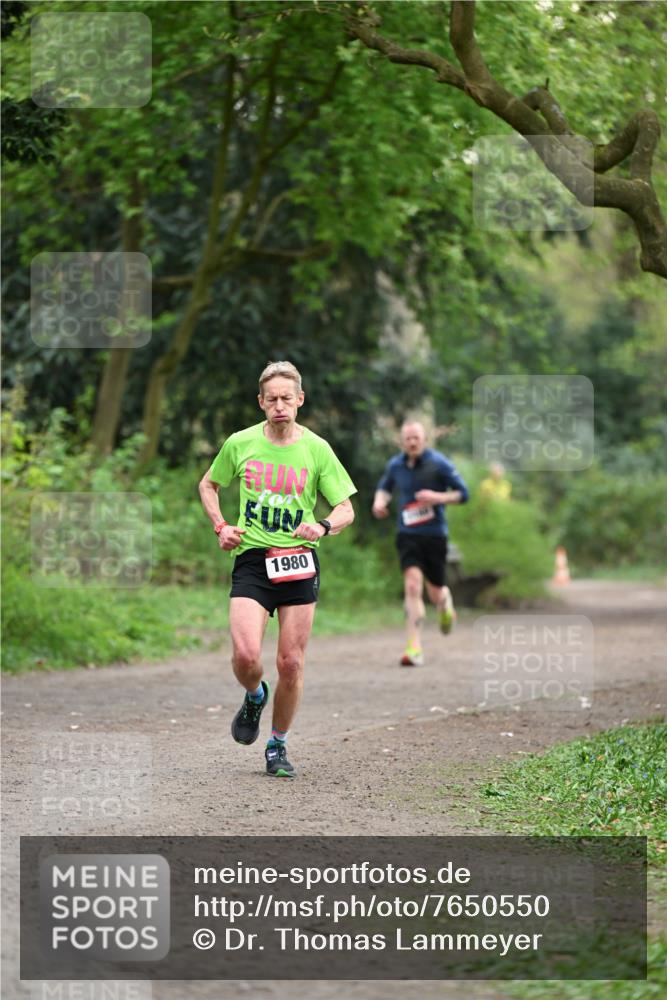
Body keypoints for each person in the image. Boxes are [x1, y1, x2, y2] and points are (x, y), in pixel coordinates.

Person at [199, 361, 356, 778]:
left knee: (291, 662)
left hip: (299, 560)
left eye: (288, 398)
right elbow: (208, 484)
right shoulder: (241, 443)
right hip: (252, 558)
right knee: (246, 655)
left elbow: (346, 508)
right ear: (261, 403)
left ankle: (277, 745)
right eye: (272, 399)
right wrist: (221, 526)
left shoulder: (317, 449)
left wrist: (321, 525)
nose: (280, 406)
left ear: (300, 400)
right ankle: (254, 694)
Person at [372, 421, 469, 667]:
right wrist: (379, 502)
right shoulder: (395, 465)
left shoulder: (439, 463)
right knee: (413, 587)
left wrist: (438, 497)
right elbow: (384, 489)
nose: (412, 442)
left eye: (416, 438)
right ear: (402, 441)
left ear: (425, 439)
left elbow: (462, 494)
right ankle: (413, 647)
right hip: (407, 534)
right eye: (408, 439)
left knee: (435, 591)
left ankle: (445, 604)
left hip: (434, 534)